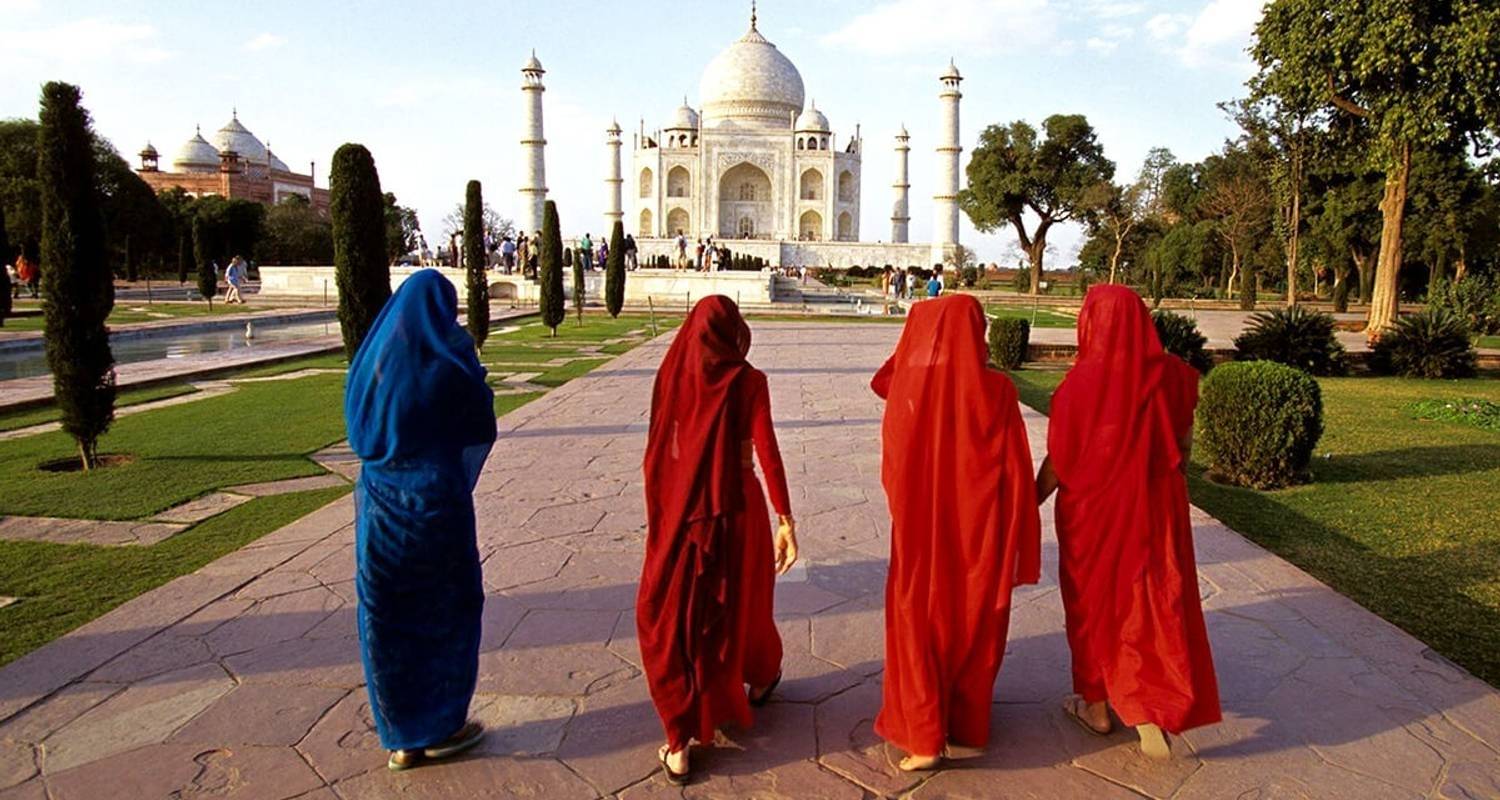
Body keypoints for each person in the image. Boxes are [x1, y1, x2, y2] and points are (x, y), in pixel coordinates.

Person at [1036, 285, 1220, 759]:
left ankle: (1096, 705)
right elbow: (1183, 449)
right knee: (1151, 603)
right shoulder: (1177, 377)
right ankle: (1149, 706)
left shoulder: (1078, 386)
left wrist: (1026, 502)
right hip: (1154, 508)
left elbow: (1060, 461)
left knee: (1093, 605)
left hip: (1091, 516)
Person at [870, 293, 1041, 771]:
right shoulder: (999, 392)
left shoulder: (911, 383)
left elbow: (882, 379)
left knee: (920, 618)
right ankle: (966, 725)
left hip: (923, 528)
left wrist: (919, 342)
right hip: (979, 529)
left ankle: (924, 734)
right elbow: (1014, 468)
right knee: (974, 619)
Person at [638, 295, 799, 785]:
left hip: (685, 510)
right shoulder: (749, 381)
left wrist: (668, 507)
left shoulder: (673, 377)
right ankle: (761, 674)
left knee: (679, 614)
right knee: (741, 605)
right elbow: (767, 451)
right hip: (738, 508)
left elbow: (662, 452)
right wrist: (786, 517)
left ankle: (679, 740)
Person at [345, 269, 497, 772]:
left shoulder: (373, 365)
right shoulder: (449, 364)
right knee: (447, 612)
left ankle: (401, 738)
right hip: (436, 507)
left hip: (381, 512)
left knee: (386, 617)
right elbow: (479, 422)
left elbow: (360, 434)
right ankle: (444, 725)